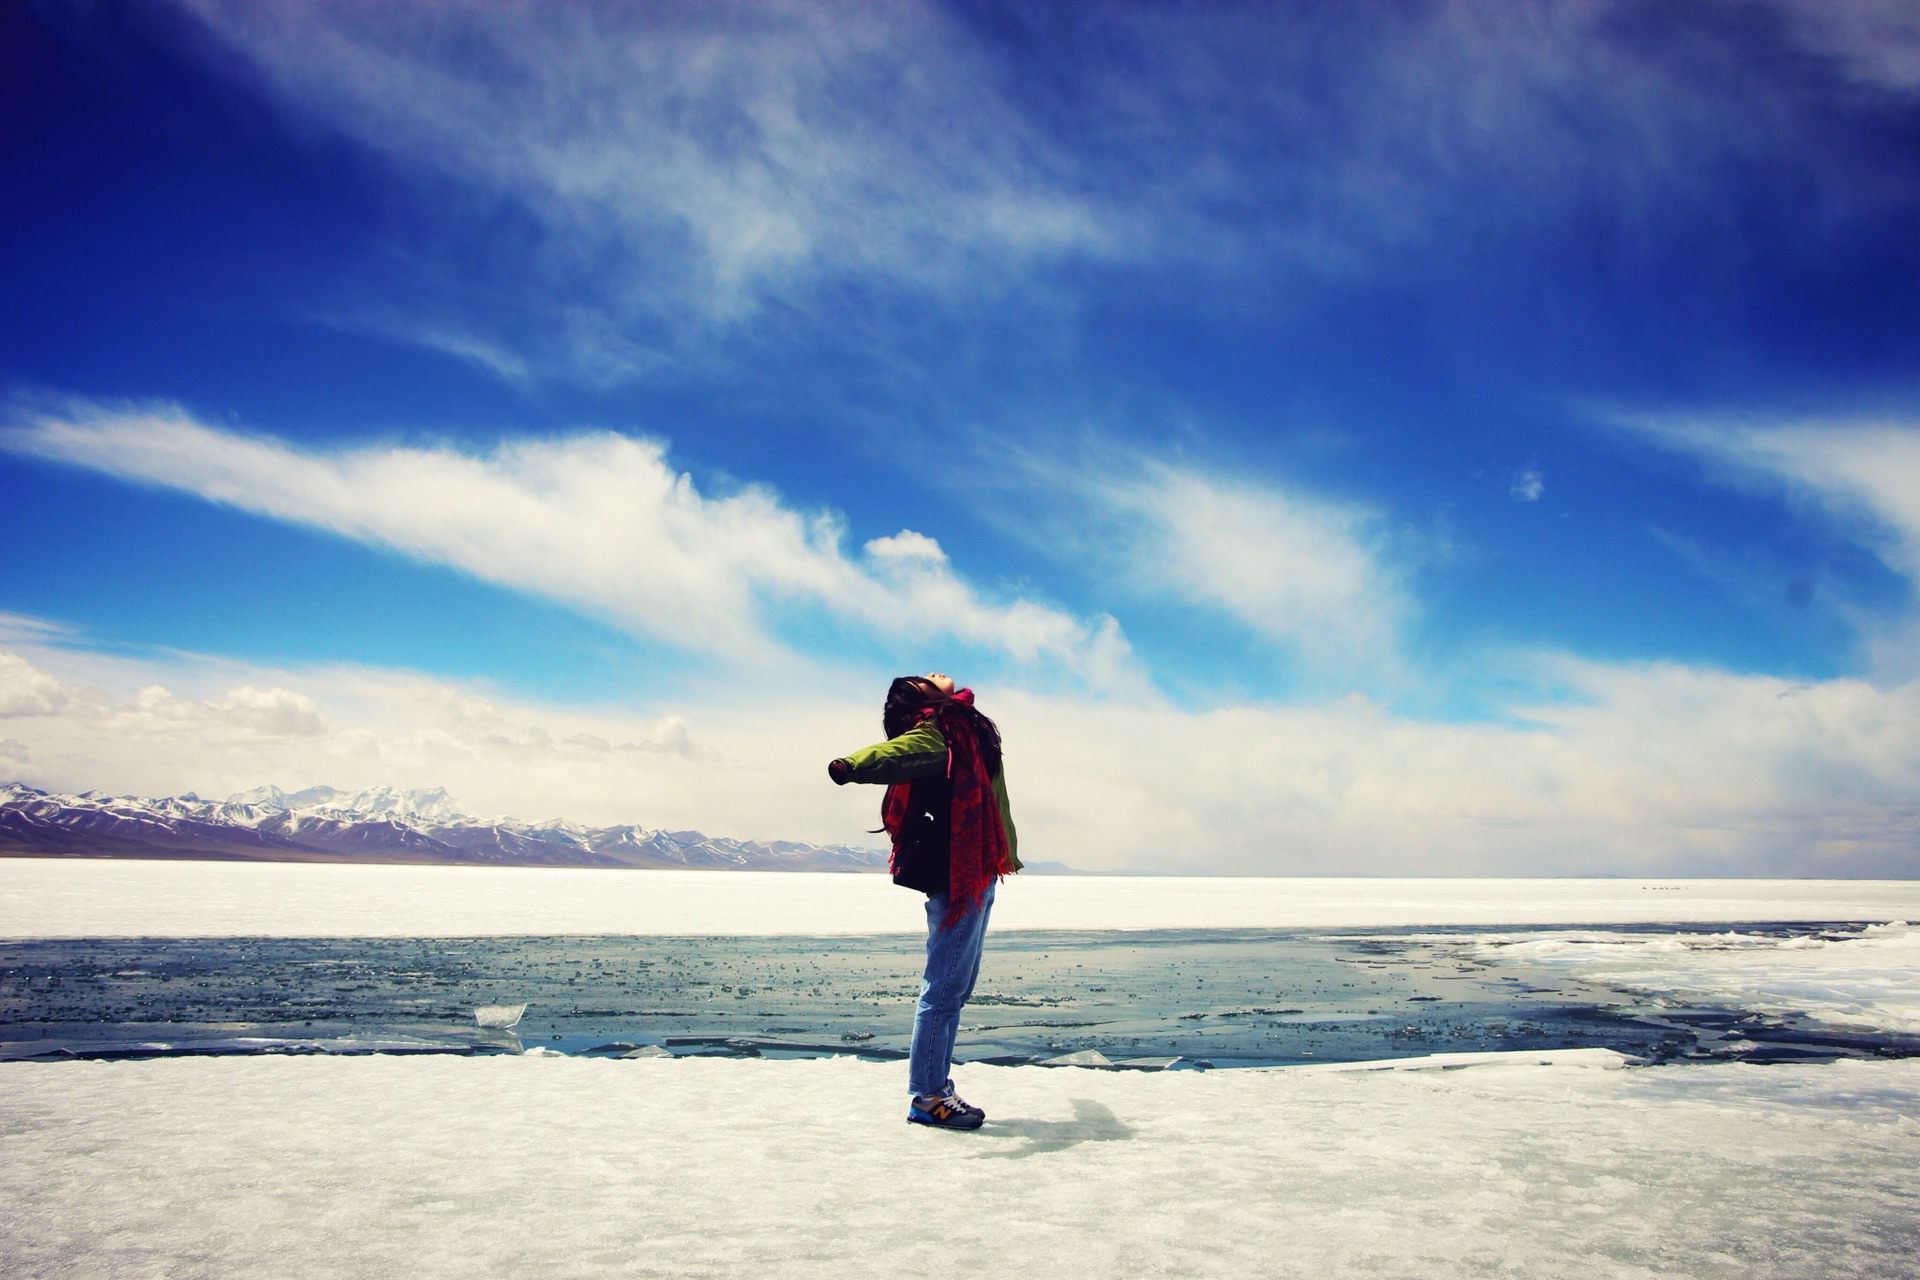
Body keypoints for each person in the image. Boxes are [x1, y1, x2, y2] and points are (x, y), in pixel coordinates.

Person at [828, 672, 1020, 1130]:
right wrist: (850, 765)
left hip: (975, 870)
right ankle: (927, 1096)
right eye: (923, 680)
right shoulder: (936, 735)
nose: (935, 674)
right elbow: (896, 754)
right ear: (922, 701)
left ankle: (936, 1086)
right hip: (958, 875)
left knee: (955, 987)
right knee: (943, 990)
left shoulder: (963, 728)